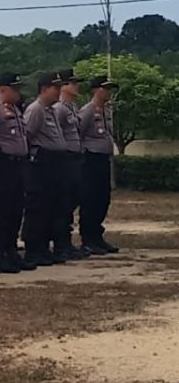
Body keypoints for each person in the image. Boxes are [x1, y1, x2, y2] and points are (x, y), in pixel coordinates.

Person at [0, 75, 35, 274]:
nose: (18, 92)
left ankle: (11, 250)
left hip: (19, 166)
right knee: (1, 212)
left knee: (16, 210)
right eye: (15, 89)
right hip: (3, 166)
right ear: (4, 89)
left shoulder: (16, 110)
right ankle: (0, 255)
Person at [23, 72, 68, 267]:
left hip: (55, 163)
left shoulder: (51, 110)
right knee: (38, 207)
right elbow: (27, 136)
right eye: (55, 88)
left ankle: (44, 247)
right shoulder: (36, 109)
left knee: (52, 207)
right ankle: (34, 249)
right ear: (44, 89)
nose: (59, 91)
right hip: (41, 163)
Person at [79, 76, 120, 254]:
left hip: (103, 159)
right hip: (91, 160)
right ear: (96, 89)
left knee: (103, 199)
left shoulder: (107, 110)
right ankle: (88, 239)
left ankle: (97, 236)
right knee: (91, 199)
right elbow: (78, 133)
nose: (109, 92)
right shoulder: (88, 110)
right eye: (106, 88)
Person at [53, 69, 89, 260]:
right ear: (64, 86)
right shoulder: (59, 108)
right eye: (73, 83)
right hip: (65, 159)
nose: (77, 87)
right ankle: (61, 244)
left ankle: (66, 242)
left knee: (72, 200)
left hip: (75, 158)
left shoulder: (72, 107)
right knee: (63, 203)